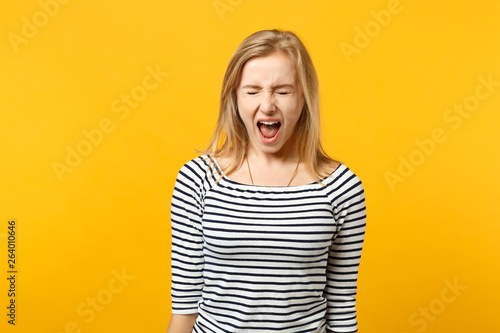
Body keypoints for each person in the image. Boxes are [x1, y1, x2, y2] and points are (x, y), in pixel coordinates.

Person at [167, 29, 366, 333]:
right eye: (252, 91)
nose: (268, 105)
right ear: (234, 98)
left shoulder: (341, 187)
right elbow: (184, 307)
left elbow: (341, 311)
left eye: (283, 91)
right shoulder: (197, 180)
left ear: (304, 98)